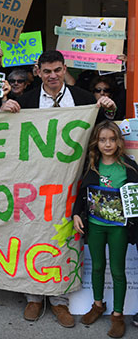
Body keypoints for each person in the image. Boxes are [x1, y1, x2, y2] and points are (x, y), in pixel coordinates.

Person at [1, 50, 118, 328]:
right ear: (37, 71)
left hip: (70, 182)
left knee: (65, 237)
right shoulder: (25, 101)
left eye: (57, 70)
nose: (53, 76)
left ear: (64, 69)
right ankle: (33, 296)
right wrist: (4, 110)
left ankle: (59, 300)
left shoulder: (84, 99)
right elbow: (5, 138)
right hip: (32, 183)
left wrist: (109, 107)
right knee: (31, 234)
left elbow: (105, 128)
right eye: (47, 71)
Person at [72, 121, 137, 338]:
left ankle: (117, 315)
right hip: (96, 226)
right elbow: (81, 193)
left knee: (118, 271)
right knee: (97, 266)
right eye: (102, 140)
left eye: (112, 139)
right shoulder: (91, 166)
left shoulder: (129, 167)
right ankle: (98, 304)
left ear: (119, 141)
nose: (107, 144)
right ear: (96, 143)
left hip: (118, 228)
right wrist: (76, 214)